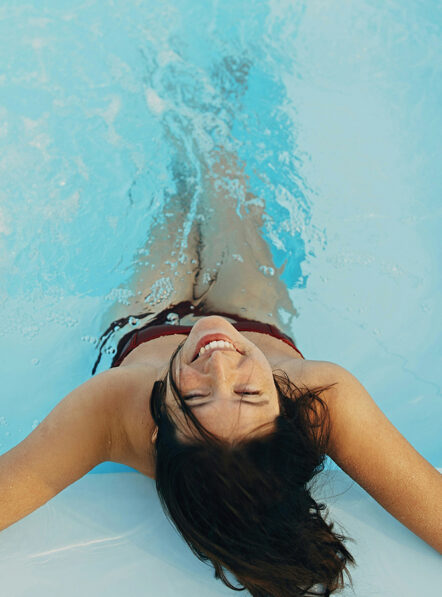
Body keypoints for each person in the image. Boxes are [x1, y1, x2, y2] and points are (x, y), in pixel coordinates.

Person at [1, 150, 440, 597]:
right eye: (250, 391)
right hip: (252, 316)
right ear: (289, 415)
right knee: (221, 179)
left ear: (158, 431)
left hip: (146, 320)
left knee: (177, 198)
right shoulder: (321, 398)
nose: (220, 362)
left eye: (194, 399)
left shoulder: (112, 411)